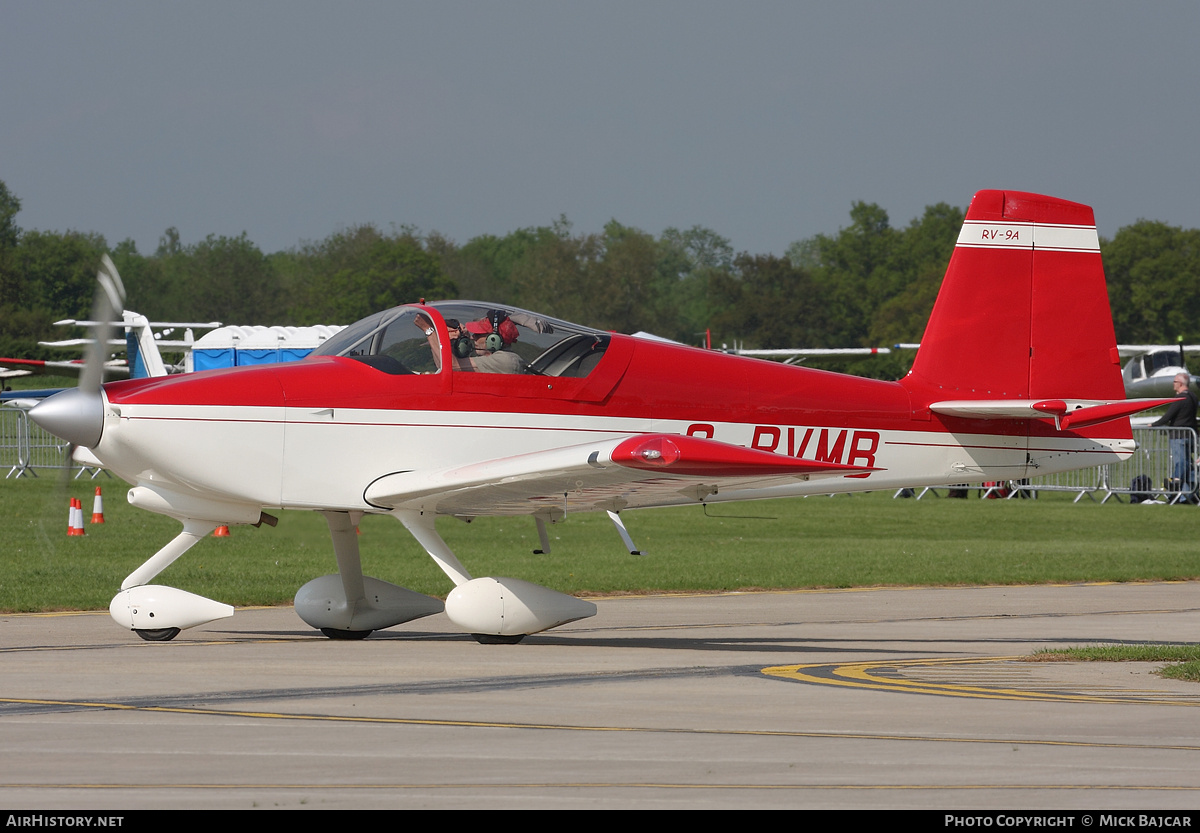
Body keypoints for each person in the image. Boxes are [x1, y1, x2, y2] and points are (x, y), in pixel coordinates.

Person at [414, 312, 525, 374]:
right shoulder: (496, 359)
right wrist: (444, 340)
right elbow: (442, 366)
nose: (472, 337)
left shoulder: (506, 360)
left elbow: (450, 366)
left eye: (478, 335)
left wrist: (428, 330)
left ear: (494, 340)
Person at [1151, 372, 1198, 501]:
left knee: (1181, 464)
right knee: (1187, 465)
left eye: (1175, 382)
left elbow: (1168, 416)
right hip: (1190, 435)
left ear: (1181, 384)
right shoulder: (1193, 397)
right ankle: (1190, 495)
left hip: (1178, 437)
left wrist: (1153, 425)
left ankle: (1174, 485)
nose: (1173, 384)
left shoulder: (1180, 398)